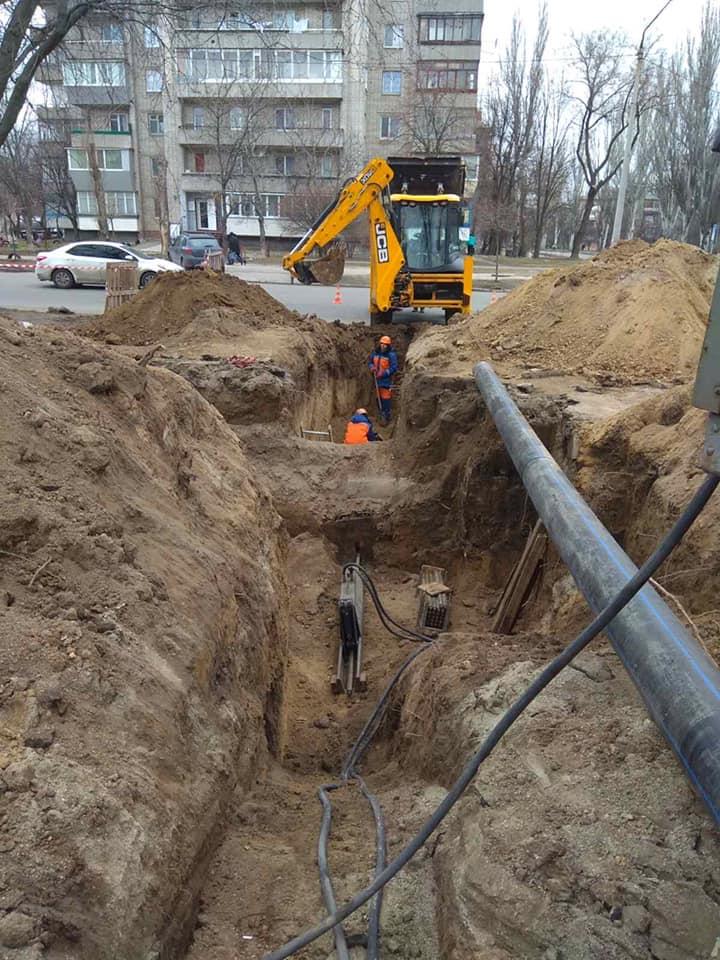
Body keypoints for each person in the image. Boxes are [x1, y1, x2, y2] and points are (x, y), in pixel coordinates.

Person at [368, 335, 398, 424]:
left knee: (385, 399)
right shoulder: (376, 353)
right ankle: (380, 413)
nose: (383, 346)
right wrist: (372, 367)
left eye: (385, 344)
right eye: (382, 344)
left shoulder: (391, 355)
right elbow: (370, 362)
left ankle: (386, 416)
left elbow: (394, 367)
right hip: (376, 380)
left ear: (388, 345)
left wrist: (384, 373)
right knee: (378, 398)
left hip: (386, 381)